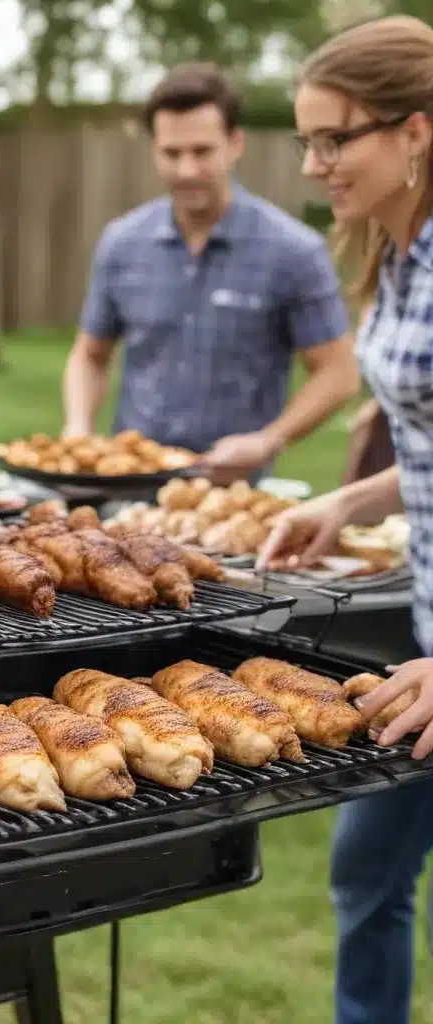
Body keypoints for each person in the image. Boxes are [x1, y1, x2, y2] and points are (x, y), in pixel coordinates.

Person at [256, 16, 433, 1024]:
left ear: (415, 132)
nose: (315, 163)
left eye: (336, 139)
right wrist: (352, 498)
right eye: (306, 141)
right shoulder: (397, 252)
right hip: (420, 629)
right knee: (366, 870)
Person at [62, 62, 359, 484]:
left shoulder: (294, 251)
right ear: (154, 150)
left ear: (235, 144)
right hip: (128, 489)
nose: (186, 170)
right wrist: (78, 430)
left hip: (233, 494)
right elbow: (89, 356)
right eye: (172, 153)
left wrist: (269, 440)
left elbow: (339, 373)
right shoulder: (122, 243)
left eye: (201, 152)